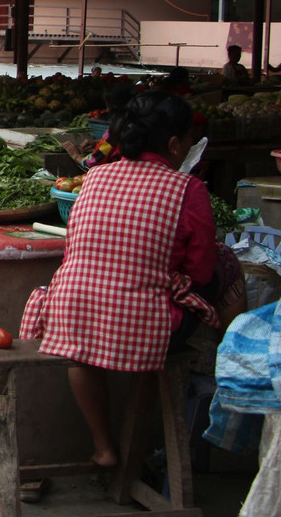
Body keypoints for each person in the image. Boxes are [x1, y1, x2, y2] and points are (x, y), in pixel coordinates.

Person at [20, 91, 246, 468]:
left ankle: (105, 447)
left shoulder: (94, 177)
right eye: (189, 140)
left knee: (84, 348)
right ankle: (233, 370)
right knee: (227, 261)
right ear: (174, 144)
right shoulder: (186, 189)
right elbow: (201, 271)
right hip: (145, 328)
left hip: (71, 315)